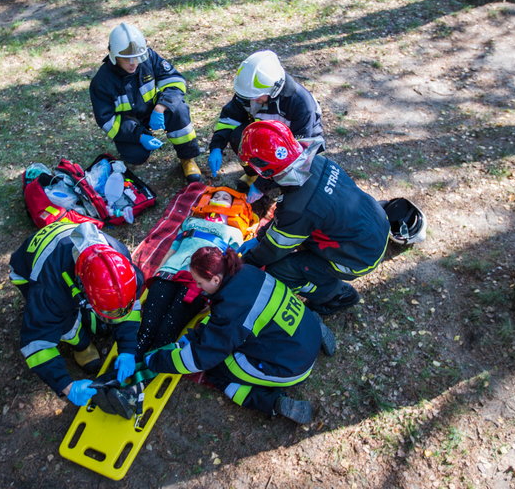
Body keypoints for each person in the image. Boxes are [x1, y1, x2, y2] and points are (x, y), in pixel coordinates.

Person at [144, 247, 336, 424]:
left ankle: (273, 403)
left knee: (219, 372)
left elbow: (201, 358)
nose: (197, 286)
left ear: (216, 280)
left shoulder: (231, 311)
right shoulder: (246, 271)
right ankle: (318, 329)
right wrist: (200, 333)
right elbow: (224, 322)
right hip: (306, 330)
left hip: (292, 367)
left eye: (200, 282)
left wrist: (155, 361)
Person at [238, 120, 390, 316]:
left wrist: (248, 261)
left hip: (359, 257)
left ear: (265, 169)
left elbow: (275, 248)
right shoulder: (319, 163)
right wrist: (260, 237)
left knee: (280, 270)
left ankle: (334, 295)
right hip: (376, 226)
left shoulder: (299, 207)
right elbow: (290, 221)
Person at [9, 221, 143, 407]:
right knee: (65, 323)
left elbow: (130, 307)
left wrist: (128, 348)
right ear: (82, 288)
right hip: (27, 270)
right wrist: (66, 385)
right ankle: (81, 345)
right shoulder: (50, 290)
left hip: (64, 241)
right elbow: (36, 342)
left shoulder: (120, 265)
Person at [135, 189, 245, 358]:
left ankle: (147, 370)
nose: (219, 199)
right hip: (170, 271)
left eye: (226, 198)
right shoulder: (190, 222)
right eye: (215, 196)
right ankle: (123, 368)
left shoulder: (234, 233)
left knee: (166, 332)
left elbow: (230, 266)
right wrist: (160, 269)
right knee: (147, 327)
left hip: (199, 282)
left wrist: (216, 295)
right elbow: (173, 248)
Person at [89, 22, 202, 183]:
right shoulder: (102, 82)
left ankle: (188, 159)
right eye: (126, 58)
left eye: (136, 57)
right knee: (135, 156)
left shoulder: (148, 57)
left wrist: (161, 106)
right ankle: (139, 141)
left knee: (179, 110)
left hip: (154, 110)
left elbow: (175, 82)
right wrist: (139, 135)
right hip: (129, 122)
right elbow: (107, 121)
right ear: (113, 55)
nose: (133, 63)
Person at [207, 50, 324, 200]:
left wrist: (262, 185)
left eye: (256, 98)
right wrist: (217, 146)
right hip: (267, 135)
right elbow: (230, 118)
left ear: (275, 89)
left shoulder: (300, 104)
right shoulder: (252, 93)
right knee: (239, 137)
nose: (252, 101)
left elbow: (298, 155)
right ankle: (253, 175)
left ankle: (272, 185)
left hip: (296, 145)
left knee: (293, 185)